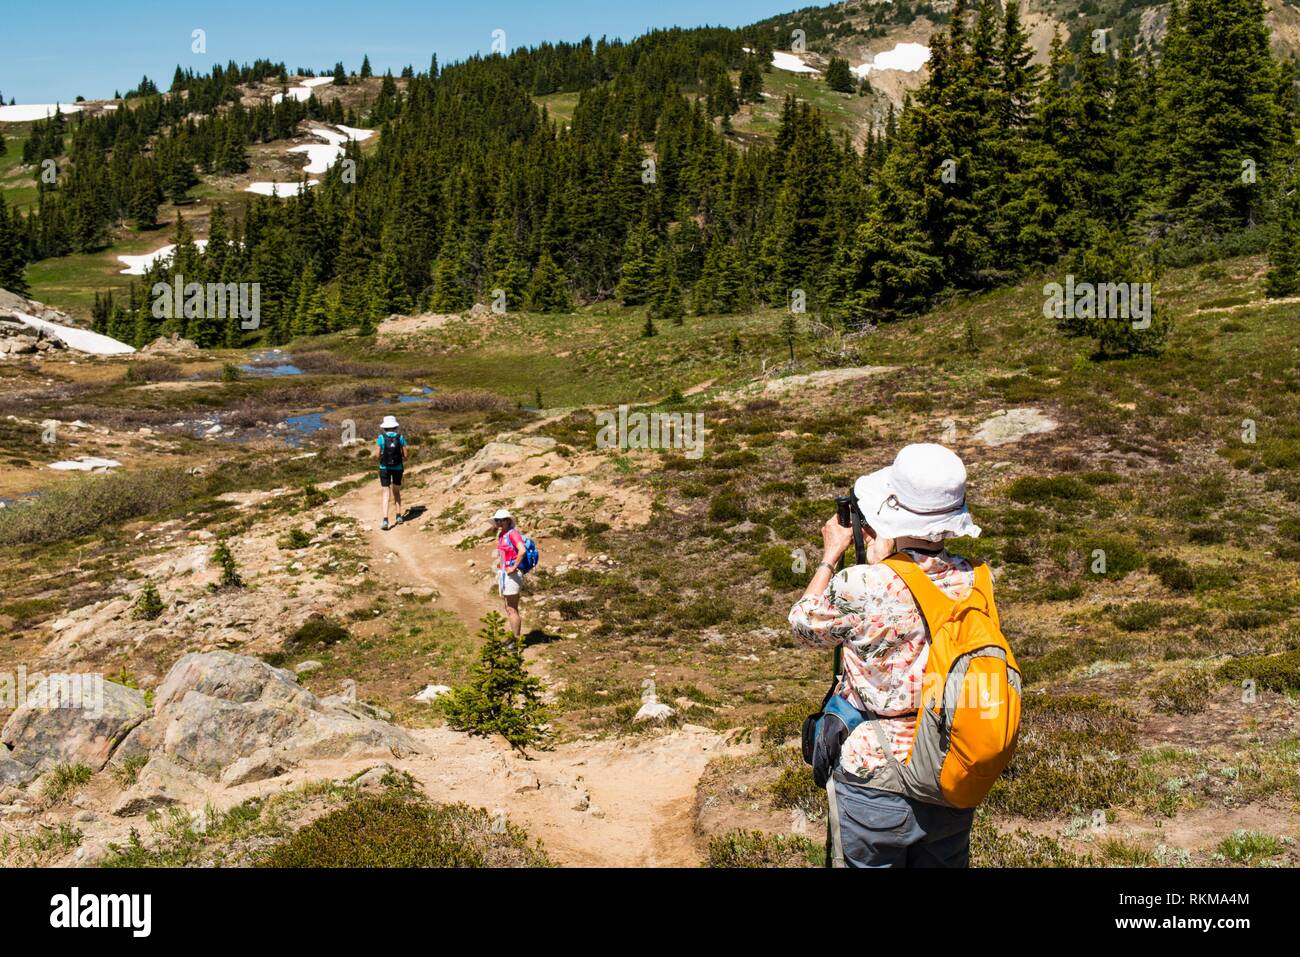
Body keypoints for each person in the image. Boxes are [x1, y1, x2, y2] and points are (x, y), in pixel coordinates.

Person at [789, 443, 987, 868]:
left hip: (875, 772)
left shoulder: (864, 584)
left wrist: (831, 557)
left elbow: (804, 626)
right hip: (951, 764)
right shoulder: (976, 578)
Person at [492, 508, 526, 643]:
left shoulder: (513, 534)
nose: (498, 523)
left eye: (501, 520)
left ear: (507, 520)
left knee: (512, 608)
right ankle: (514, 637)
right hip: (505, 575)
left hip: (513, 575)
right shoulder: (502, 534)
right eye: (496, 520)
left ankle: (516, 640)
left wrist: (514, 567)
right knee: (508, 607)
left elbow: (522, 551)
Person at [376, 415, 407, 531]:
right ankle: (399, 516)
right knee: (397, 492)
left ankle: (385, 520)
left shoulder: (381, 438)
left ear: (384, 427)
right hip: (398, 468)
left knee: (385, 493)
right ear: (395, 426)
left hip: (384, 468)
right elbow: (405, 455)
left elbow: (377, 455)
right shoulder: (401, 437)